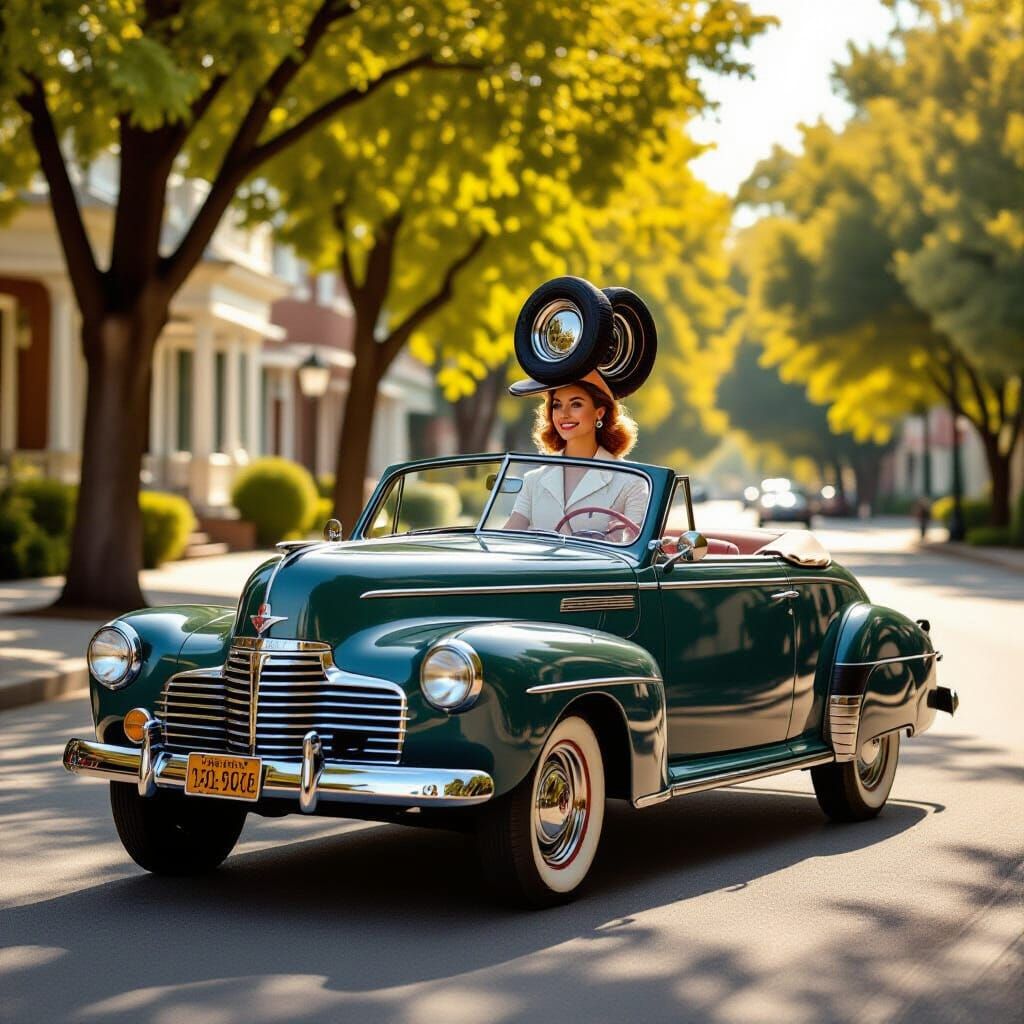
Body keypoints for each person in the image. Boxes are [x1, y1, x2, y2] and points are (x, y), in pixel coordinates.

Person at [503, 369, 647, 540]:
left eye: (576, 404)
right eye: (557, 405)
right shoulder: (533, 480)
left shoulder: (632, 481)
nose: (564, 414)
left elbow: (637, 549)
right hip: (539, 567)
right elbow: (507, 537)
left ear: (599, 413)